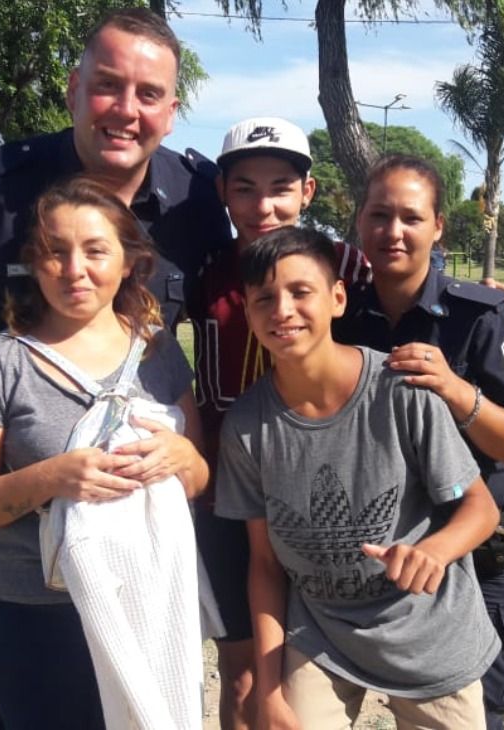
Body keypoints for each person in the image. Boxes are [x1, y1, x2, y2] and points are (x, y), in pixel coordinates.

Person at [0, 9, 229, 727]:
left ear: (170, 110)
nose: (125, 110)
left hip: (142, 560)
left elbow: (259, 294)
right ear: (74, 89)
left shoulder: (199, 200)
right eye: (107, 87)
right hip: (19, 535)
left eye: (148, 94)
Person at [0, 177, 208, 728]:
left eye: (94, 250)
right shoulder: (0, 361)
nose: (74, 269)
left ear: (131, 261)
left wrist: (183, 457)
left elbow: (200, 479)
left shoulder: (158, 354)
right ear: (35, 264)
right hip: (30, 612)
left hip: (144, 598)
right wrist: (52, 478)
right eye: (54, 252)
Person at [216, 226, 501, 728]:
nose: (282, 309)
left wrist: (432, 552)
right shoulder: (245, 425)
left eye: (301, 292)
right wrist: (269, 690)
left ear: (338, 298)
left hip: (425, 626)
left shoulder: (401, 392)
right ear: (249, 313)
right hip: (320, 632)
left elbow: (480, 507)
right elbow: (264, 565)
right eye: (264, 298)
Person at [333, 155, 504, 730]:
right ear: (359, 224)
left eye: (411, 216)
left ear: (438, 227)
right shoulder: (340, 317)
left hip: (484, 556)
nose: (394, 232)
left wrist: (459, 392)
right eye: (379, 215)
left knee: (480, 716)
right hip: (382, 555)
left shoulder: (484, 318)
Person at [187, 116, 317, 730]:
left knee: (304, 675)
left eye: (280, 186)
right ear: (222, 191)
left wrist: (498, 295)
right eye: (245, 187)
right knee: (241, 672)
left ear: (306, 192)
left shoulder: (339, 268)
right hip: (223, 501)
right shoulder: (204, 272)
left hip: (315, 501)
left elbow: (411, 292)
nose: (263, 204)